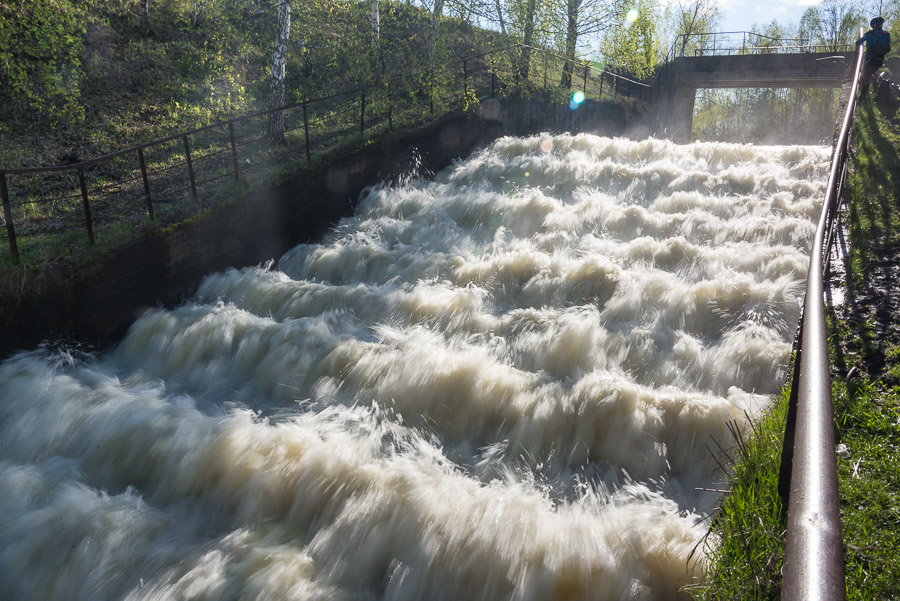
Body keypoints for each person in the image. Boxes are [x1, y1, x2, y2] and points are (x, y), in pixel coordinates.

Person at [857, 17, 892, 95]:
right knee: (869, 75)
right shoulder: (887, 34)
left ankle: (862, 97)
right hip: (881, 60)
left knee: (866, 77)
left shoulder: (869, 34)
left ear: (873, 25)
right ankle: (874, 85)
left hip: (871, 59)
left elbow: (857, 43)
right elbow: (888, 48)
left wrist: (863, 44)